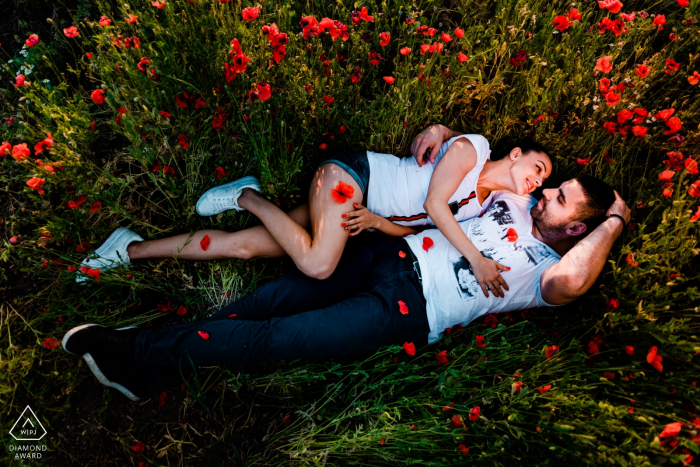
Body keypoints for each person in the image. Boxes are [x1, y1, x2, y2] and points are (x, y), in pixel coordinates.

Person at [62, 176, 630, 401]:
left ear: (577, 227)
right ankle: (157, 356)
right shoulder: (509, 200)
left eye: (560, 198)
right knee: (261, 305)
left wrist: (615, 221)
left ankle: (131, 350)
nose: (547, 192)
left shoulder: (543, 271)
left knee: (275, 339)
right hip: (380, 253)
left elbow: (574, 280)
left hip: (405, 308)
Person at [77, 125, 552, 296]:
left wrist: (373, 223)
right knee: (318, 264)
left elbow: (411, 223)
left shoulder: (481, 206)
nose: (537, 179)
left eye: (543, 181)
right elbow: (431, 203)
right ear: (514, 153)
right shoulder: (473, 148)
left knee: (244, 248)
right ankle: (247, 196)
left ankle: (129, 250)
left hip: (357, 208)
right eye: (536, 165)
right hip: (352, 175)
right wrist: (475, 258)